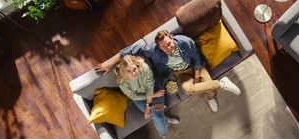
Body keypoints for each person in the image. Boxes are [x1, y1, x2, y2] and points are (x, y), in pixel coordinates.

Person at [95, 30, 241, 112]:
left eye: (169, 44)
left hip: (195, 67)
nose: (168, 48)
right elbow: (129, 50)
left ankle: (210, 97)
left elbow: (196, 57)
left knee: (208, 88)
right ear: (158, 47)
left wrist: (196, 75)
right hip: (180, 74)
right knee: (188, 89)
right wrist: (109, 62)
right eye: (164, 47)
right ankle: (221, 84)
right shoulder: (152, 50)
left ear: (172, 38)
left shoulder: (185, 41)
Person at [114, 55, 179, 139]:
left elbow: (149, 87)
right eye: (129, 71)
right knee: (157, 116)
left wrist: (148, 107)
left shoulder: (144, 68)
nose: (134, 73)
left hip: (154, 88)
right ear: (123, 72)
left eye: (134, 68)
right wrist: (153, 97)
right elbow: (133, 96)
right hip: (140, 97)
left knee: (156, 116)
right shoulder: (121, 81)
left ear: (137, 65)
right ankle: (165, 119)